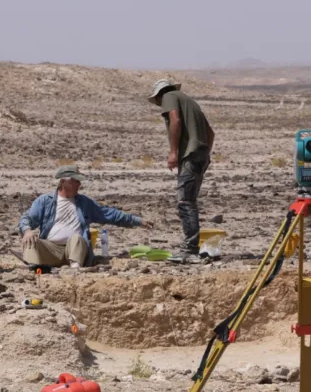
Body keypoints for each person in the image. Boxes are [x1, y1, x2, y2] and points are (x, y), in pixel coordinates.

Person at [18, 165, 150, 269]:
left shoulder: (85, 203)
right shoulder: (45, 201)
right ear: (63, 182)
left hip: (76, 251)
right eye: (75, 181)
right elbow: (27, 219)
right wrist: (27, 230)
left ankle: (75, 269)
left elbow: (110, 215)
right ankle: (33, 268)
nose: (79, 185)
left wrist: (138, 221)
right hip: (51, 249)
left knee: (77, 238)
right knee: (31, 241)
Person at [148, 79, 215, 263]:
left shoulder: (169, 96)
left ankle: (190, 250)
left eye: (158, 102)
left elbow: (175, 119)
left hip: (190, 156)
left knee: (185, 201)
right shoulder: (191, 102)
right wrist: (204, 153)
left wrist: (174, 152)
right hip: (200, 156)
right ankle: (192, 248)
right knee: (189, 201)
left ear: (160, 94)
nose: (161, 106)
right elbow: (210, 133)